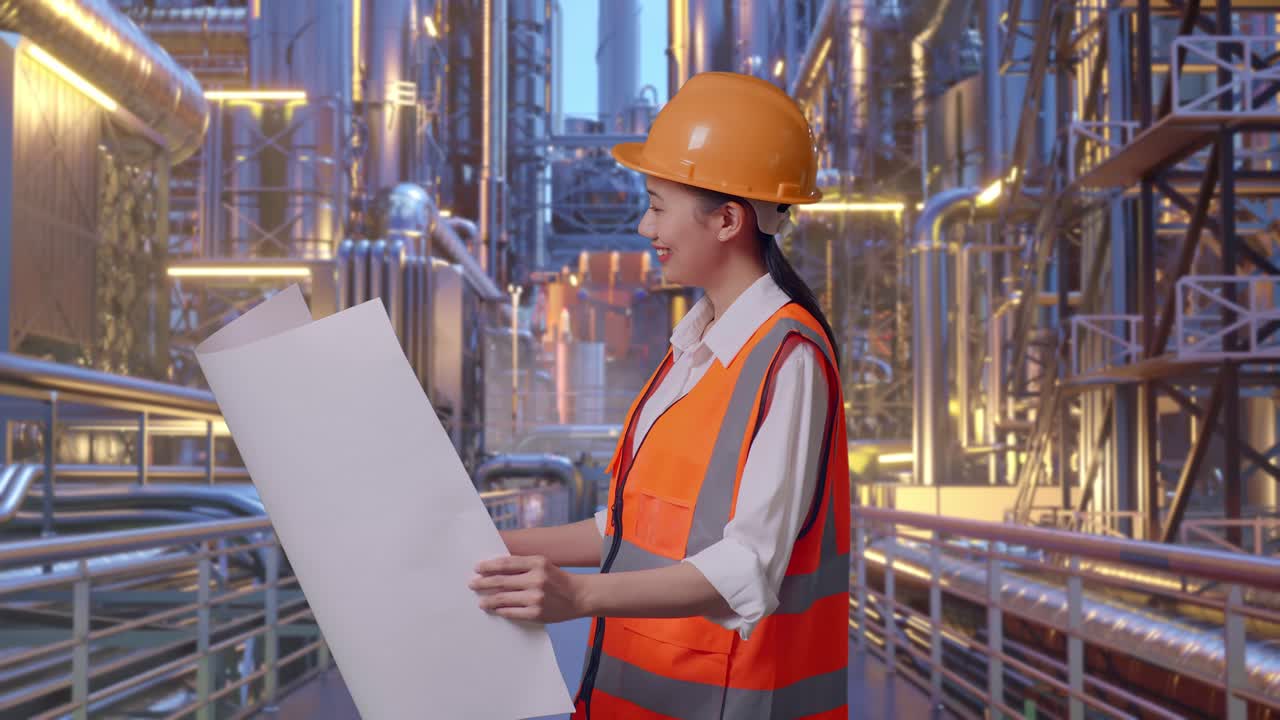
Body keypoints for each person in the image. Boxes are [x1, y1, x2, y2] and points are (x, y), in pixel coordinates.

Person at [469, 71, 851, 719]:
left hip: (725, 701)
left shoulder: (788, 359)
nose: (645, 226)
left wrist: (580, 597)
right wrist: (495, 546)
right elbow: (633, 528)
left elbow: (747, 566)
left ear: (727, 219)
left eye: (658, 205)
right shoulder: (692, 350)